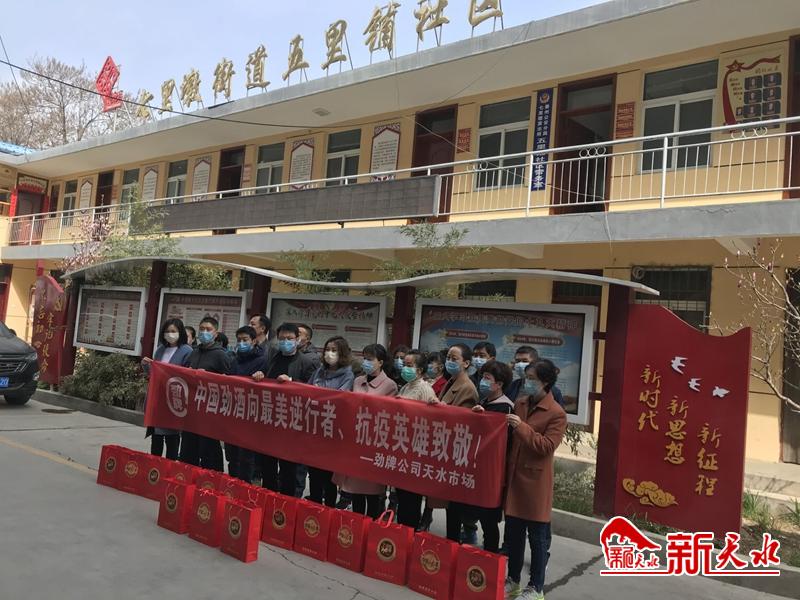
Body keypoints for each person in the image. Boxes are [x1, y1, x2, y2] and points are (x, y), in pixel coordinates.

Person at [504, 360, 566, 600]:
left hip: (536, 482)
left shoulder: (556, 413)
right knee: (514, 535)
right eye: (526, 377)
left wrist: (522, 427)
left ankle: (536, 587)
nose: (526, 382)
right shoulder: (519, 403)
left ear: (545, 382)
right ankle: (513, 580)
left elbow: (547, 446)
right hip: (515, 478)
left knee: (538, 539)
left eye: (532, 379)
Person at [252, 322, 316, 495]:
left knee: (289, 469)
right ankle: (268, 497)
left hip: (292, 423)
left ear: (298, 339)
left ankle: (287, 501)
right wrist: (259, 375)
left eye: (289, 338)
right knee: (268, 465)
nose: (285, 342)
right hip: (271, 419)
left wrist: (292, 383)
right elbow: (263, 376)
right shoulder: (272, 358)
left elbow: (313, 390)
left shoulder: (306, 362)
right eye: (282, 339)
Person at [335, 343, 396, 519]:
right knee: (355, 492)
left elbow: (388, 415)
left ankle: (371, 525)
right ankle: (357, 524)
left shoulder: (390, 385)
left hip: (373, 444)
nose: (366, 362)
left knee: (372, 493)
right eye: (365, 358)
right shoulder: (357, 380)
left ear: (381, 362)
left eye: (370, 359)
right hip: (355, 441)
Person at [469, 361, 515, 553]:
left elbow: (503, 439)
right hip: (478, 466)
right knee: (478, 513)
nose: (483, 381)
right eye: (482, 377)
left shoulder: (506, 407)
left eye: (488, 378)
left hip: (493, 470)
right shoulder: (483, 402)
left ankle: (490, 554)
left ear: (500, 383)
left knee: (489, 519)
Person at [438, 343, 479, 544]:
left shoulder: (467, 388)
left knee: (454, 505)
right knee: (449, 503)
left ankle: (453, 543)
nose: (449, 362)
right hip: (444, 447)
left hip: (455, 451)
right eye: (448, 357)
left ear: (466, 363)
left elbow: (462, 422)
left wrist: (441, 409)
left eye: (454, 359)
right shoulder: (451, 381)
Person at [179, 316, 232, 471]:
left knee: (209, 449)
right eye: (202, 329)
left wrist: (208, 377)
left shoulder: (221, 355)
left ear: (216, 333)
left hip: (210, 410)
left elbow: (228, 382)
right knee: (188, 448)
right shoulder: (194, 352)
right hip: (192, 409)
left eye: (208, 329)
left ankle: (212, 479)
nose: (204, 332)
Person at [307, 336, 354, 507]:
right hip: (315, 428)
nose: (329, 353)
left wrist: (319, 395)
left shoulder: (348, 375)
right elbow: (307, 390)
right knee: (313, 473)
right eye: (327, 349)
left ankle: (329, 509)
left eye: (334, 350)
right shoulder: (319, 371)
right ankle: (313, 505)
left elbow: (340, 398)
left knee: (328, 477)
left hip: (333, 430)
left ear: (342, 354)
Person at [395, 350, 439, 530]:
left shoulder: (424, 389)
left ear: (419, 370)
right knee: (402, 495)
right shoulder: (406, 386)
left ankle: (409, 532)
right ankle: (401, 531)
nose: (404, 368)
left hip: (416, 450)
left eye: (409, 365)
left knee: (411, 498)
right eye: (404, 364)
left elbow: (430, 419)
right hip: (403, 446)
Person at [142, 318, 193, 459]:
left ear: (180, 333)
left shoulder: (187, 351)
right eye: (167, 331)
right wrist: (146, 366)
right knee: (156, 438)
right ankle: (155, 466)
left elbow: (187, 376)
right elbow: (154, 374)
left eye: (173, 331)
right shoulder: (160, 349)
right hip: (158, 398)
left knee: (172, 439)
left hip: (173, 400)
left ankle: (170, 467)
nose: (170, 334)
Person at [226, 325, 266, 482]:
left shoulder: (262, 360)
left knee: (246, 457)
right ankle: (231, 484)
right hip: (233, 411)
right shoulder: (234, 360)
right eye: (239, 340)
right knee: (232, 455)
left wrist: (261, 376)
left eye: (245, 340)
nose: (241, 343)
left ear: (254, 341)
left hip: (250, 414)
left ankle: (244, 487)